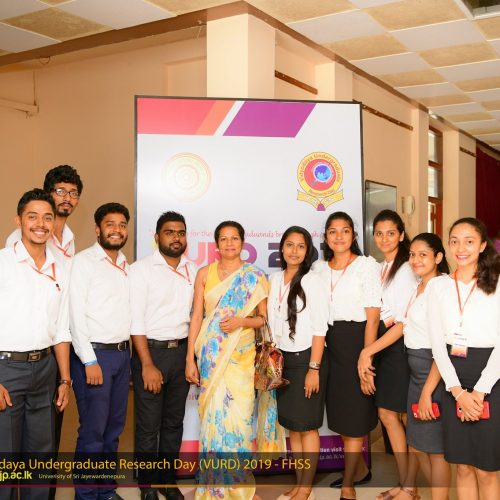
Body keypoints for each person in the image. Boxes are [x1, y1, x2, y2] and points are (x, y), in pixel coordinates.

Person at [185, 221, 283, 500]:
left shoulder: (255, 276)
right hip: (211, 355)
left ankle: (238, 487)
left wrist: (241, 321)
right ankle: (213, 487)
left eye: (234, 238)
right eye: (224, 239)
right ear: (216, 244)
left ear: (242, 242)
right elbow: (196, 316)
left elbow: (263, 320)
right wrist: (190, 358)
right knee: (211, 421)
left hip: (242, 357)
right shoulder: (204, 273)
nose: (229, 243)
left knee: (239, 422)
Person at [0, 188, 72, 500]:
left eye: (47, 217)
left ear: (54, 223)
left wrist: (65, 379)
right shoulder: (3, 262)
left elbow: (62, 330)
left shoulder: (59, 269)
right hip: (7, 370)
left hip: (45, 370)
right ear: (19, 220)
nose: (40, 224)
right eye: (33, 217)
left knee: (40, 463)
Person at [427, 218, 500, 500]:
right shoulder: (438, 286)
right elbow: (437, 344)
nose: (461, 248)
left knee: (486, 469)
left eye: (469, 241)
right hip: (452, 379)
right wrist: (458, 392)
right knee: (463, 466)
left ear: (482, 245)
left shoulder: (496, 284)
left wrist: (479, 392)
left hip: (491, 378)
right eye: (454, 241)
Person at [314, 211, 381, 500]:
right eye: (333, 231)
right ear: (326, 236)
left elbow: (373, 317)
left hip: (357, 341)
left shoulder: (365, 266)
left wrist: (366, 358)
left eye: (345, 230)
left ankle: (348, 485)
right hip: (328, 345)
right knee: (341, 415)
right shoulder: (318, 269)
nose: (339, 236)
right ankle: (360, 469)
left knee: (354, 418)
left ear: (353, 235)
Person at [129, 212, 196, 500]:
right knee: (148, 427)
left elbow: (196, 316)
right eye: (169, 232)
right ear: (157, 237)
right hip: (151, 353)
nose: (176, 238)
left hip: (181, 353)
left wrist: (191, 358)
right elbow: (135, 321)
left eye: (181, 232)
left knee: (173, 424)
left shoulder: (193, 270)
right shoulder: (140, 270)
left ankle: (167, 482)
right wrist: (146, 364)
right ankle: (146, 486)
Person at [69, 202, 131, 500]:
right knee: (93, 432)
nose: (116, 230)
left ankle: (106, 490)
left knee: (113, 429)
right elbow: (75, 315)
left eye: (122, 224)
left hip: (121, 355)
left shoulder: (125, 265)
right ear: (97, 229)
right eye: (110, 224)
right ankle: (86, 495)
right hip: (95, 356)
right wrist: (89, 360)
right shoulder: (83, 262)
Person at [357, 209, 416, 500]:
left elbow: (403, 323)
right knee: (388, 415)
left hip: (399, 348)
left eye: (391, 233)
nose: (384, 238)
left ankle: (409, 486)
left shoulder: (406, 269)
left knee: (397, 416)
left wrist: (368, 351)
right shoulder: (381, 266)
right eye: (379, 233)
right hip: (385, 345)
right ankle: (405, 484)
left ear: (401, 235)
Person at [269, 227, 328, 500]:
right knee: (293, 426)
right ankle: (298, 482)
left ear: (308, 251)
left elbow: (320, 328)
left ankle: (307, 487)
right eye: (289, 245)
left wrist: (314, 369)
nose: (294, 251)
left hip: (306, 360)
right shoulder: (274, 279)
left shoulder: (313, 281)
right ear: (281, 248)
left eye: (300, 246)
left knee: (308, 427)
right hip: (282, 360)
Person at [393, 233, 451, 500]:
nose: (415, 260)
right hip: (416, 374)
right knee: (417, 444)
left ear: (438, 257)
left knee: (435, 450)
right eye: (412, 254)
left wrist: (428, 391)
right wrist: (368, 351)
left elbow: (443, 348)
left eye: (423, 255)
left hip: (432, 374)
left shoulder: (442, 288)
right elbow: (404, 326)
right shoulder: (420, 286)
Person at [6, 165, 83, 268]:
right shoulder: (20, 237)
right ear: (48, 194)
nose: (68, 198)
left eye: (73, 193)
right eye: (61, 191)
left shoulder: (69, 237)